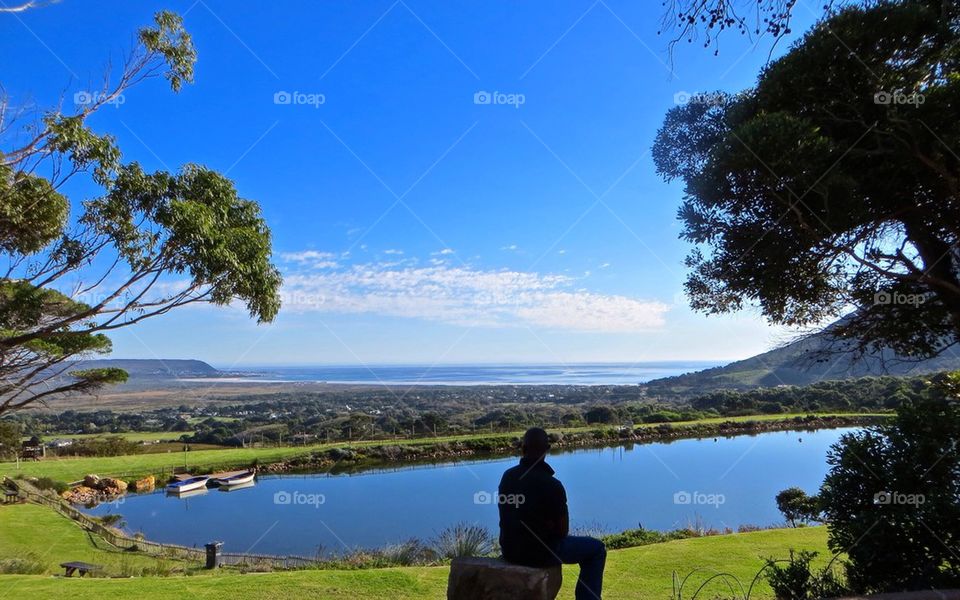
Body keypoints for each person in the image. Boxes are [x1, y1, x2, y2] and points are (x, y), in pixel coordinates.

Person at [498, 427, 606, 600]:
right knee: (597, 549)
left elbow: (509, 514)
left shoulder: (507, 477)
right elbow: (562, 532)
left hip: (509, 549)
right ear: (547, 449)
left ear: (523, 449)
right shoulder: (552, 485)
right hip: (540, 552)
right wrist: (547, 525)